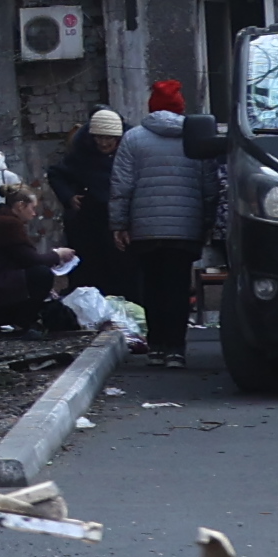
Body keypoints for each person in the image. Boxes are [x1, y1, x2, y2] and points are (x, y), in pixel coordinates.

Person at [104, 78, 216, 360]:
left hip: (145, 229)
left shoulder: (133, 139)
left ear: (151, 107)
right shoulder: (196, 137)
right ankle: (176, 350)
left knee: (152, 286)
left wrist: (119, 224)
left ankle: (156, 346)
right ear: (180, 108)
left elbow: (121, 185)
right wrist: (207, 223)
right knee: (177, 288)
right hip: (185, 228)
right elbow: (210, 187)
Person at [0, 181, 65, 335]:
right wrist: (58, 255)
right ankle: (23, 323)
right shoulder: (8, 224)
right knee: (41, 275)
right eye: (32, 208)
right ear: (20, 206)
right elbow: (32, 260)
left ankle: (2, 323)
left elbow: (20, 258)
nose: (34, 214)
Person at [50, 106, 121, 270]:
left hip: (119, 222)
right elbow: (56, 174)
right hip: (88, 224)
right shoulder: (82, 154)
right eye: (99, 138)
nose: (103, 143)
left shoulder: (128, 153)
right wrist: (69, 197)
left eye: (108, 138)